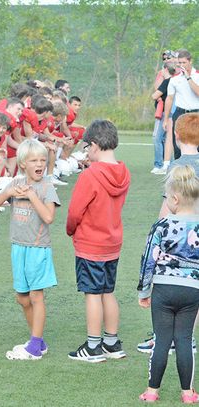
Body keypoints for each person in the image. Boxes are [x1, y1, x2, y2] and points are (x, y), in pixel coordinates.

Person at [0, 139, 60, 360]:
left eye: (43, 160)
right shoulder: (15, 182)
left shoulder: (47, 187)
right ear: (22, 163)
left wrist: (31, 196)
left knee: (37, 296)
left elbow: (48, 217)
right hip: (18, 248)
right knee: (22, 298)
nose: (40, 164)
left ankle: (35, 346)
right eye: (34, 160)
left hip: (38, 249)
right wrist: (8, 193)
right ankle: (38, 340)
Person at [67, 119, 131, 363]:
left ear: (93, 145)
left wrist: (71, 229)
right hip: (113, 240)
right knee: (107, 292)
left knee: (92, 294)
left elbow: (75, 212)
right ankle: (111, 342)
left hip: (91, 242)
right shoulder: (123, 172)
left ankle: (93, 346)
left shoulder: (90, 175)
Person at [137, 165, 199, 403]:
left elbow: (148, 259)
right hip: (192, 290)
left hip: (163, 289)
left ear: (174, 198)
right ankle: (188, 393)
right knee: (184, 339)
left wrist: (144, 289)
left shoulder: (161, 225)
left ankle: (152, 391)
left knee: (162, 339)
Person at [163, 49, 199, 159]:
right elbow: (169, 99)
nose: (182, 65)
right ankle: (179, 171)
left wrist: (188, 77)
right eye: (180, 63)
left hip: (195, 113)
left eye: (184, 62)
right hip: (179, 113)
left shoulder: (197, 75)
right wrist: (165, 119)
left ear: (190, 61)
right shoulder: (174, 79)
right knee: (178, 144)